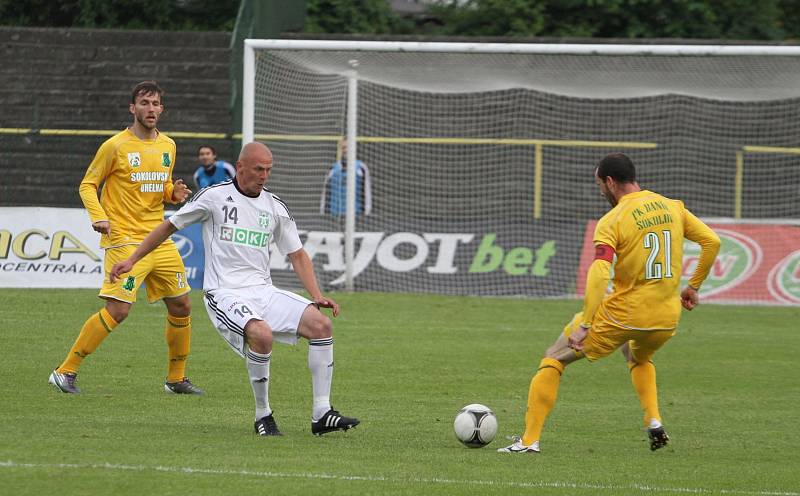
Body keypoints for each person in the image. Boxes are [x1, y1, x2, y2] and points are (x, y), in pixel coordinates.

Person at [110, 141, 360, 437]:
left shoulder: (275, 206)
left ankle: (322, 413)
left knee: (321, 325)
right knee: (261, 334)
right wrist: (132, 258)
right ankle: (263, 415)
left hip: (262, 291)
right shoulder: (213, 198)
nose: (264, 175)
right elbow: (169, 226)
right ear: (240, 167)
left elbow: (297, 254)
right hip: (224, 292)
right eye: (258, 169)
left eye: (268, 170)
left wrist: (316, 295)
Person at [498, 153, 720, 454]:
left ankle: (528, 442)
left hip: (622, 315)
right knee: (637, 356)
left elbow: (600, 272)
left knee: (553, 358)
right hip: (666, 317)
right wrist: (693, 287)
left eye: (599, 184)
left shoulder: (612, 220)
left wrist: (587, 324)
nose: (600, 190)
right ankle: (653, 419)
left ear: (611, 182)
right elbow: (712, 242)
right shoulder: (672, 206)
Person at [48, 81, 203, 396]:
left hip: (158, 237)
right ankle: (64, 372)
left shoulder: (168, 145)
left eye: (155, 103)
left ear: (162, 108)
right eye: (144, 103)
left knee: (182, 305)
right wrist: (99, 216)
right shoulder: (115, 146)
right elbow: (87, 184)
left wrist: (173, 193)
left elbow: (161, 187)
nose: (151, 109)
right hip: (123, 239)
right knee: (118, 310)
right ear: (133, 108)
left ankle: (176, 379)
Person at [320, 139, 372, 216]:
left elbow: (366, 192)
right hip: (335, 216)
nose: (345, 150)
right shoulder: (333, 169)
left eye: (348, 147)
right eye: (343, 147)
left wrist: (366, 212)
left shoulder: (361, 168)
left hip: (356, 216)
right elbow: (326, 192)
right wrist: (323, 212)